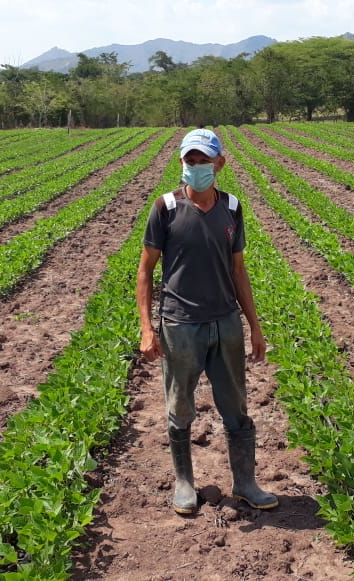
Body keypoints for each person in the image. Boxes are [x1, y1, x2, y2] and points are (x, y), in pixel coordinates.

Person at [136, 128, 278, 515]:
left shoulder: (232, 207)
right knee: (180, 407)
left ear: (220, 164)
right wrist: (148, 329)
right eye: (190, 160)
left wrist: (254, 325)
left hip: (225, 322)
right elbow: (146, 271)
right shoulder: (165, 207)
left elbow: (238, 270)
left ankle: (246, 483)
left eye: (203, 161)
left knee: (235, 407)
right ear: (182, 163)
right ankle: (184, 483)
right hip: (180, 324)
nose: (196, 167)